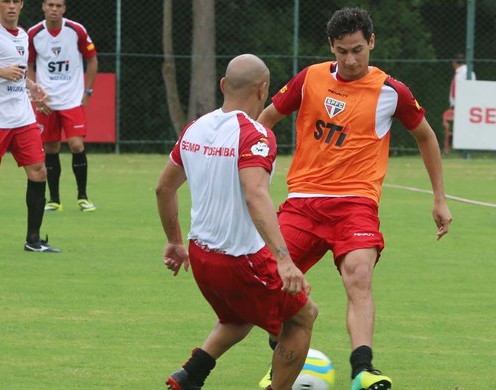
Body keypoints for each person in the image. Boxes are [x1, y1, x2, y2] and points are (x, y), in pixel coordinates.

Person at [256, 7, 452, 390]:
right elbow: (263, 122)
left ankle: (363, 369)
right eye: (342, 50)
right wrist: (253, 173)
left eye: (357, 50)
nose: (349, 59)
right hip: (303, 202)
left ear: (372, 43)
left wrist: (439, 198)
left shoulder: (392, 92)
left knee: (359, 277)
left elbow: (427, 137)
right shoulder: (309, 79)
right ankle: (281, 359)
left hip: (356, 204)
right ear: (331, 45)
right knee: (272, 281)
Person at [156, 54, 318, 390]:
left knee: (238, 317)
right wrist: (285, 261)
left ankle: (189, 376)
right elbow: (255, 194)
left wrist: (174, 241)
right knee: (303, 318)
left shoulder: (194, 128)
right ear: (263, 90)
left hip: (200, 257)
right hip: (241, 261)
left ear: (223, 86)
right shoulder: (256, 134)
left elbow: (164, 188)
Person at [0, 0, 60, 253]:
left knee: (39, 171)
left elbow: (16, 70)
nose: (10, 6)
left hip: (22, 116)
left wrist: (32, 86)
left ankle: (34, 241)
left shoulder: (23, 34)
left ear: (21, 5)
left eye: (15, 1)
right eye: (5, 1)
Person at [27, 0, 98, 212]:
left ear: (64, 9)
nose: (54, 9)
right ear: (43, 7)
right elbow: (29, 65)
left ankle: (82, 197)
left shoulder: (76, 30)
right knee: (50, 147)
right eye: (50, 5)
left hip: (71, 99)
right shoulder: (33, 33)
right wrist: (35, 93)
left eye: (58, 5)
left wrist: (88, 91)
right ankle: (54, 200)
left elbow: (92, 60)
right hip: (47, 101)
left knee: (76, 145)